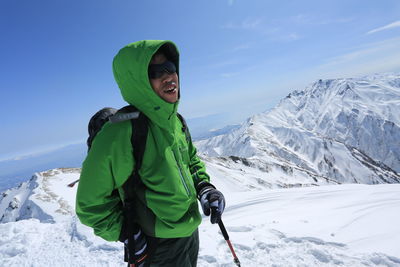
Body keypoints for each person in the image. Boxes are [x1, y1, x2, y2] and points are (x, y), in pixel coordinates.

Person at [76, 40, 225, 267]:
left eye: (171, 68)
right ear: (138, 82)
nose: (168, 77)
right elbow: (90, 205)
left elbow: (191, 161)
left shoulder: (175, 121)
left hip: (188, 234)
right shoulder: (119, 133)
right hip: (155, 245)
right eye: (156, 72)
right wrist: (127, 233)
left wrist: (205, 189)